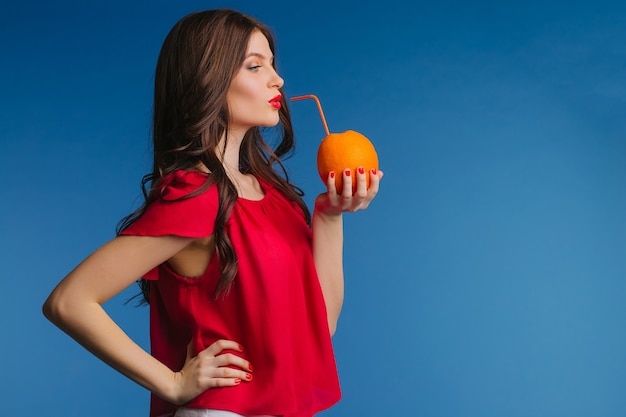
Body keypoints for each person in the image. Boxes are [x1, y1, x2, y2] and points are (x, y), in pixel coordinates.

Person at [42, 8, 383, 417]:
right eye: (255, 66)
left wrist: (329, 217)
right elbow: (68, 301)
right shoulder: (196, 198)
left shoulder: (275, 198)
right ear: (208, 80)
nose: (278, 80)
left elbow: (318, 328)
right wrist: (171, 383)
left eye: (272, 65)